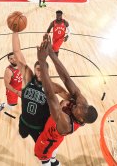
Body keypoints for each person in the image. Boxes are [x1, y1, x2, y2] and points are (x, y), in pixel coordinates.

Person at [34, 35, 98, 166]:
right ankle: (54, 161)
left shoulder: (66, 124)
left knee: (45, 158)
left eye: (77, 109)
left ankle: (49, 161)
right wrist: (51, 53)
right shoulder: (82, 103)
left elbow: (50, 95)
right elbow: (66, 78)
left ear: (80, 119)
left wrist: (42, 62)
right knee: (55, 152)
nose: (76, 105)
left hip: (46, 142)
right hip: (57, 139)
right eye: (79, 105)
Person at [11, 32, 70, 143]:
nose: (39, 72)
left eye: (42, 69)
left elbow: (68, 97)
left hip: (38, 127)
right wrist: (15, 32)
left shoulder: (53, 86)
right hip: (23, 121)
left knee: (39, 146)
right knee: (22, 135)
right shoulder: (27, 77)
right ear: (33, 70)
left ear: (47, 71)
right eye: (37, 69)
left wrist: (62, 105)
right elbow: (17, 52)